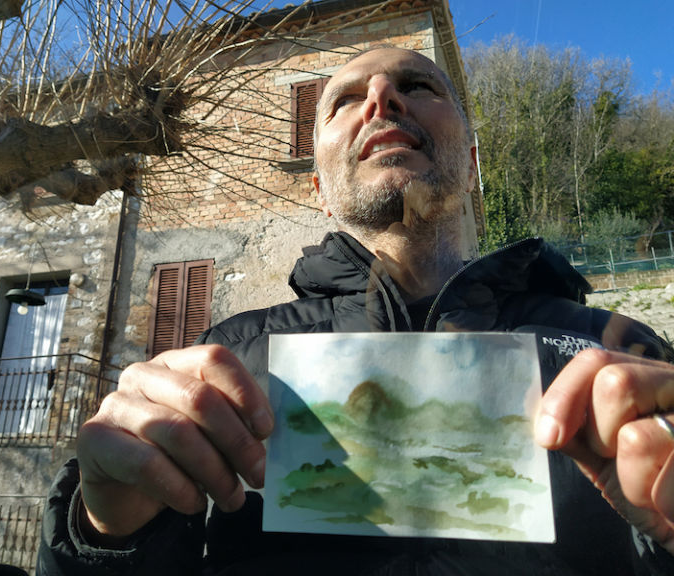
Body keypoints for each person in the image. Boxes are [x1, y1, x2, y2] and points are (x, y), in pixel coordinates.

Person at [37, 47, 674, 575]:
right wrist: (102, 532)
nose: (381, 100)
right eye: (343, 100)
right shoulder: (225, 359)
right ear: (318, 186)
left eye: (416, 85)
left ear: (474, 165)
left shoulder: (614, 351)